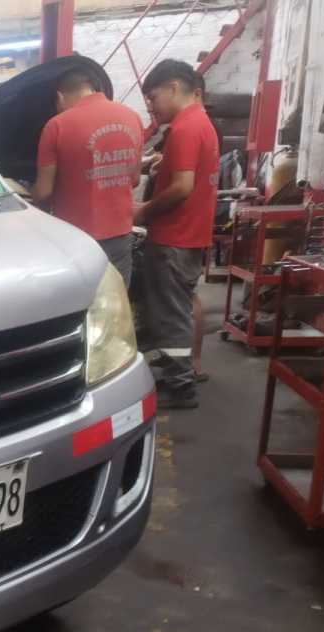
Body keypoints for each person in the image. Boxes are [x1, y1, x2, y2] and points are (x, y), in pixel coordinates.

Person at [134, 59, 219, 409]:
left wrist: (143, 210)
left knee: (170, 315)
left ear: (173, 87)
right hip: (189, 234)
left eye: (153, 98)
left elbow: (183, 187)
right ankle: (176, 373)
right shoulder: (200, 123)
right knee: (177, 309)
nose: (151, 107)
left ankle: (180, 387)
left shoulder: (185, 128)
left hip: (174, 237)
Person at [33, 67, 143, 289]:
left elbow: (43, 192)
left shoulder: (57, 125)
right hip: (121, 232)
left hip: (75, 238)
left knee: (82, 303)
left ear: (59, 96)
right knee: (116, 299)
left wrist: (25, 195)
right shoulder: (132, 117)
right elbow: (134, 179)